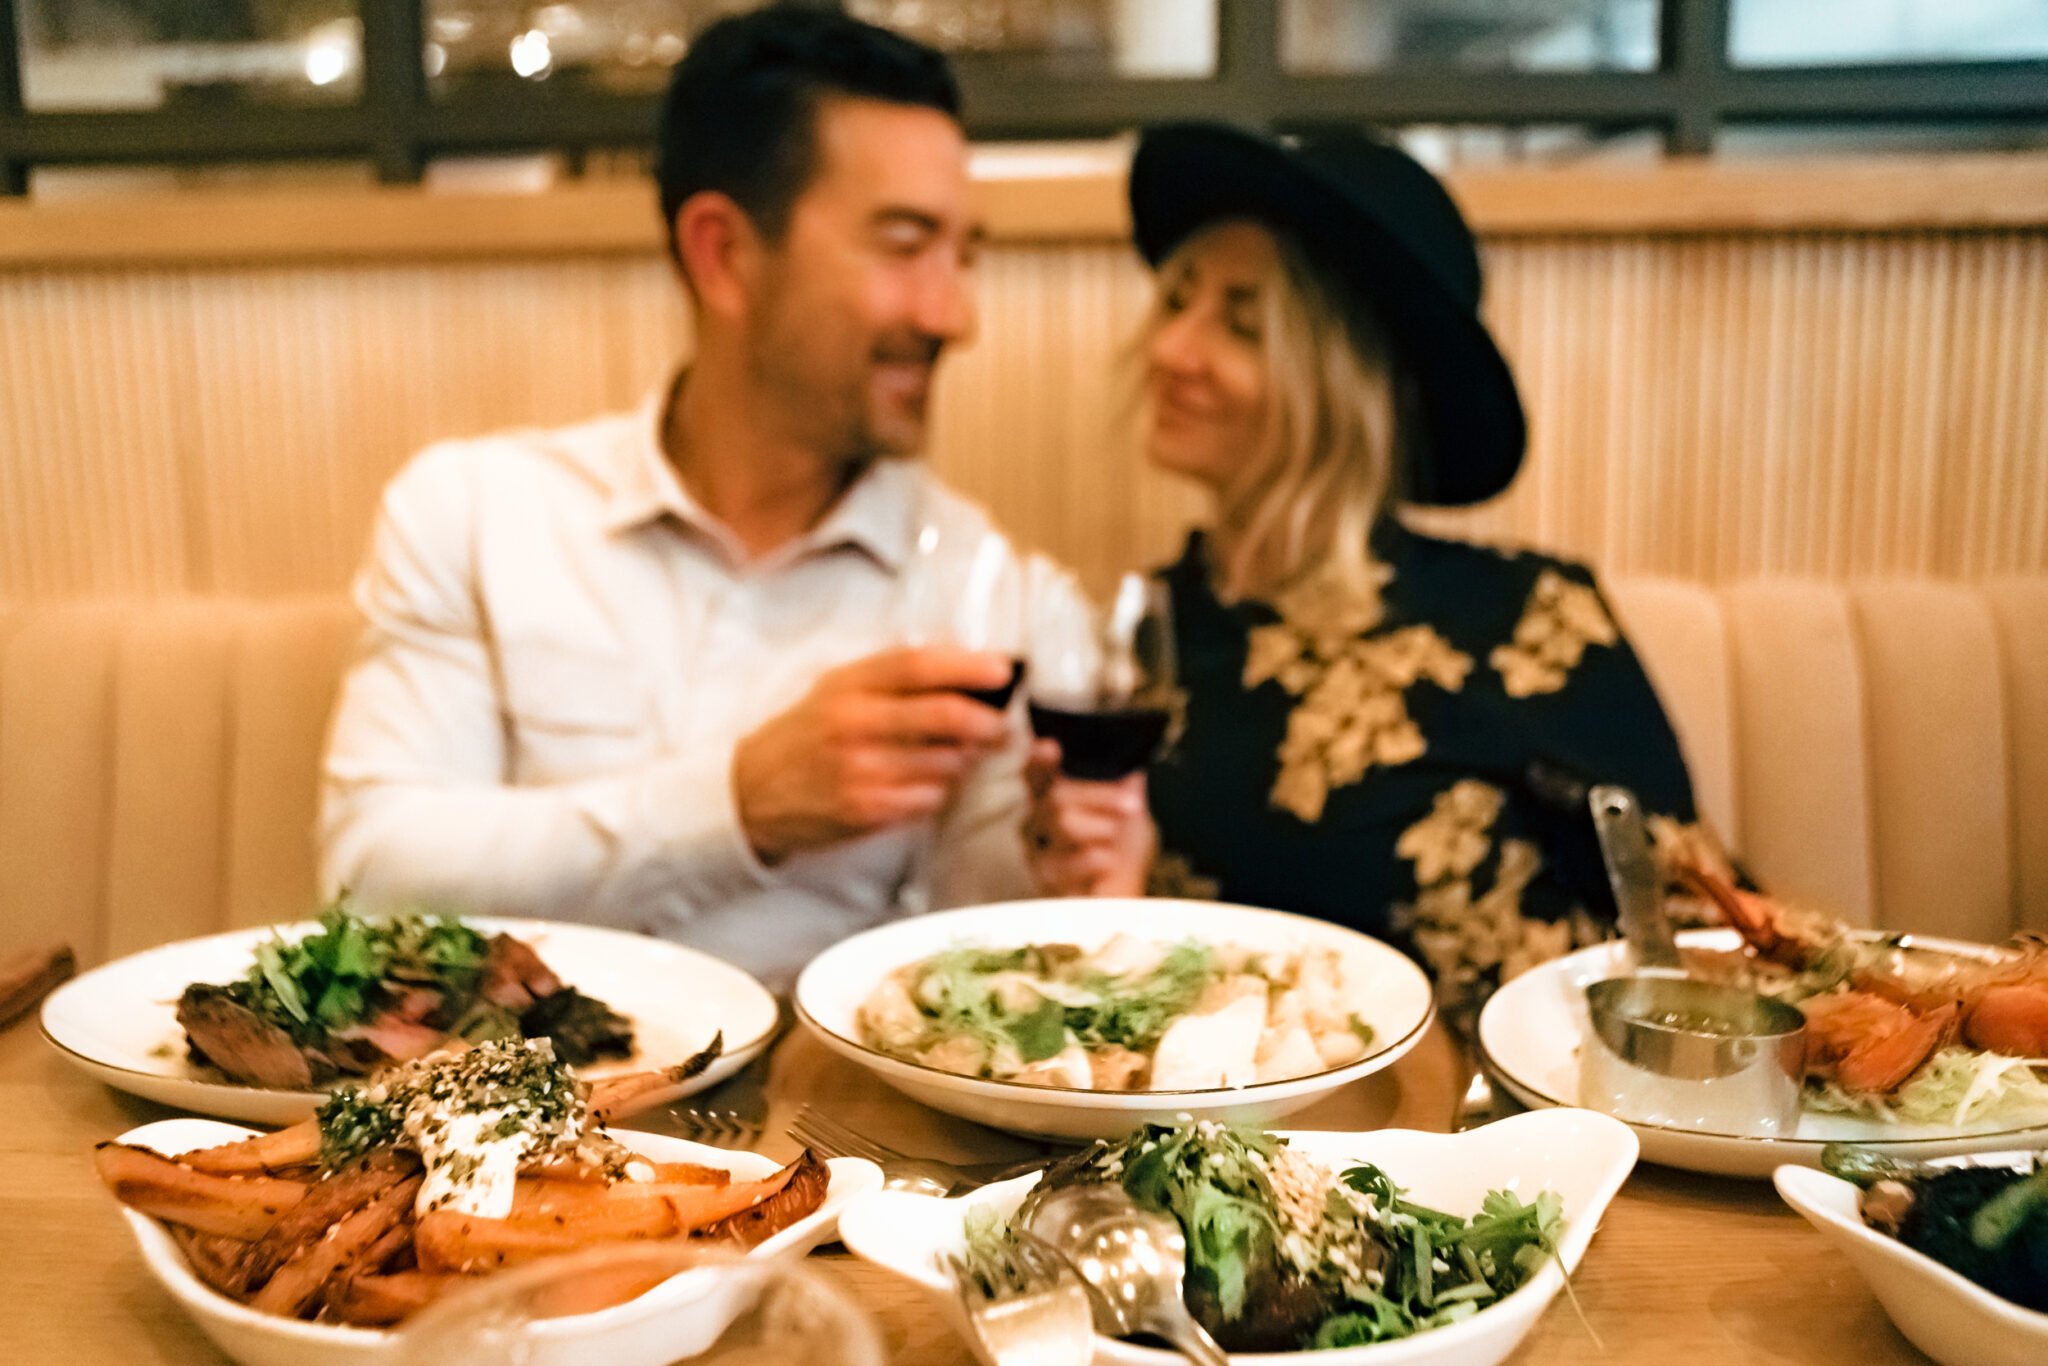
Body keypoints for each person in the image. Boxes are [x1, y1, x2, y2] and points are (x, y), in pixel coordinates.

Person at [319, 9, 1038, 986]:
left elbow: (975, 967)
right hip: (504, 1115)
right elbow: (369, 881)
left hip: (817, 1128)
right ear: (723, 254)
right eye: (906, 245)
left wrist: (1069, 868)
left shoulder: (978, 583)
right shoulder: (476, 514)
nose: (954, 313)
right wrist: (736, 804)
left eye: (965, 254)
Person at [1025, 123, 1704, 1011]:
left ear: (1343, 381)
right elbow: (1152, 994)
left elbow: (1694, 933)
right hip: (1248, 1133)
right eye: (1178, 300)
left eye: (1242, 322)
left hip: (1520, 1124)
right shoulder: (1150, 647)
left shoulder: (1528, 617)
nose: (1171, 350)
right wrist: (1109, 896)